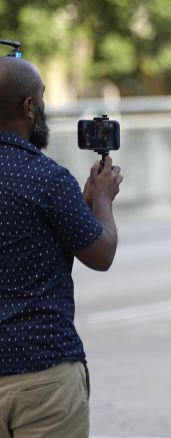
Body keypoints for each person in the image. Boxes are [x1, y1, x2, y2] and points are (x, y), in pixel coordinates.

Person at [0, 57, 123, 437]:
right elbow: (100, 254)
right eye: (42, 97)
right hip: (42, 374)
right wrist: (101, 200)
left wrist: (80, 205)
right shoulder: (46, 178)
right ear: (29, 107)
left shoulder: (49, 184)